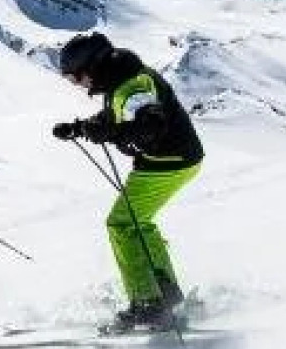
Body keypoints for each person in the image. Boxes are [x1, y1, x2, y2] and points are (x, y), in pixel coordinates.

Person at [50, 32, 205, 331]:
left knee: (121, 224)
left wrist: (112, 134)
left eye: (77, 78)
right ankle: (165, 292)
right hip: (176, 159)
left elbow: (150, 123)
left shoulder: (132, 87)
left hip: (169, 162)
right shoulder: (122, 77)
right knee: (139, 223)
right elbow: (114, 117)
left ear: (91, 67)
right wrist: (80, 128)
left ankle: (148, 303)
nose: (79, 85)